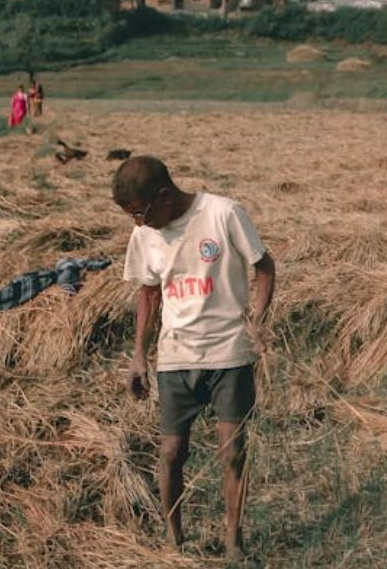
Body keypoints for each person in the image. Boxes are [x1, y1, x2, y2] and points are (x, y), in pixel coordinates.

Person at [114, 156, 276, 560]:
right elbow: (148, 294)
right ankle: (174, 539)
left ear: (164, 196)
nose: (138, 223)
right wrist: (138, 355)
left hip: (229, 353)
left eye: (140, 213)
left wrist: (258, 320)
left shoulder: (223, 213)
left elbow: (265, 268)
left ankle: (233, 541)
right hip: (176, 356)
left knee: (233, 451)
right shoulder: (145, 235)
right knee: (171, 452)